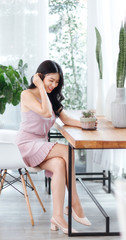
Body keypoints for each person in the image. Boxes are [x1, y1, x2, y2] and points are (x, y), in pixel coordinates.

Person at [16, 60, 91, 234]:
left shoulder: (50, 97)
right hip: (26, 145)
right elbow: (45, 112)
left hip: (40, 146)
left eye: (57, 82)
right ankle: (74, 204)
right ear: (40, 77)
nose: (54, 85)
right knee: (66, 151)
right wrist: (40, 87)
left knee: (59, 163)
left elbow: (66, 120)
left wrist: (87, 124)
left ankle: (57, 216)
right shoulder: (27, 94)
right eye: (50, 80)